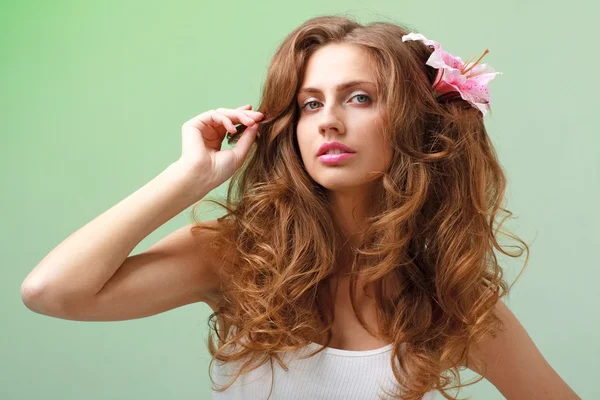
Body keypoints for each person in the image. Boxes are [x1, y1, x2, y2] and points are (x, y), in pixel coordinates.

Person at [21, 14, 580, 400]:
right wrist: (186, 178)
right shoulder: (233, 257)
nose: (329, 120)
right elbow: (50, 292)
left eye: (359, 97)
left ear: (417, 120)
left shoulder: (452, 303)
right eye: (311, 104)